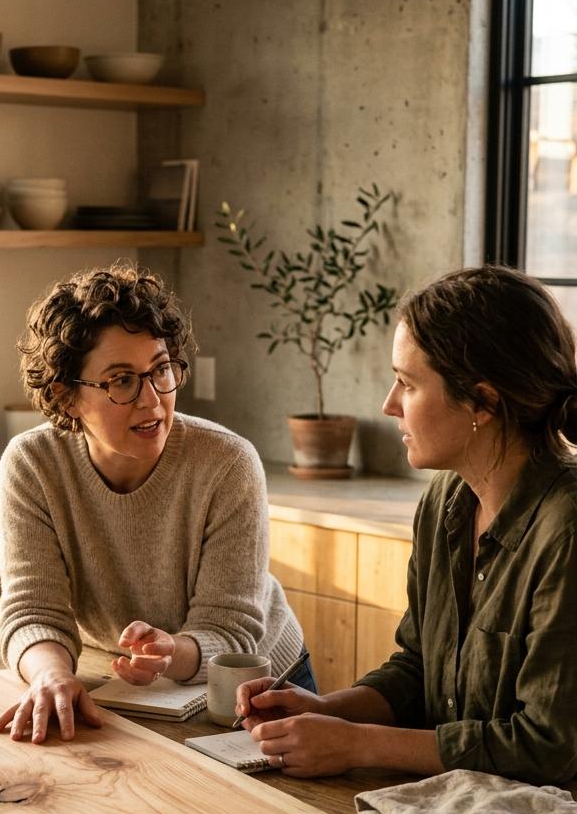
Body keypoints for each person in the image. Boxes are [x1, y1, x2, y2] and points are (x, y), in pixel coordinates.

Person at [236, 265, 577, 786]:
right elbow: (417, 669)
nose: (388, 404)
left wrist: (355, 744)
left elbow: (547, 746)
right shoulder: (446, 501)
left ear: (481, 403)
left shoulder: (566, 529)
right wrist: (326, 710)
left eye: (407, 383)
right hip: (450, 806)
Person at [0, 262, 316, 743]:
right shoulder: (32, 464)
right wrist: (50, 674)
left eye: (161, 370)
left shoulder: (227, 463)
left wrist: (171, 652)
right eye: (121, 380)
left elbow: (229, 629)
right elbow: (33, 612)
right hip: (131, 689)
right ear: (67, 397)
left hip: (254, 685)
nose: (153, 400)